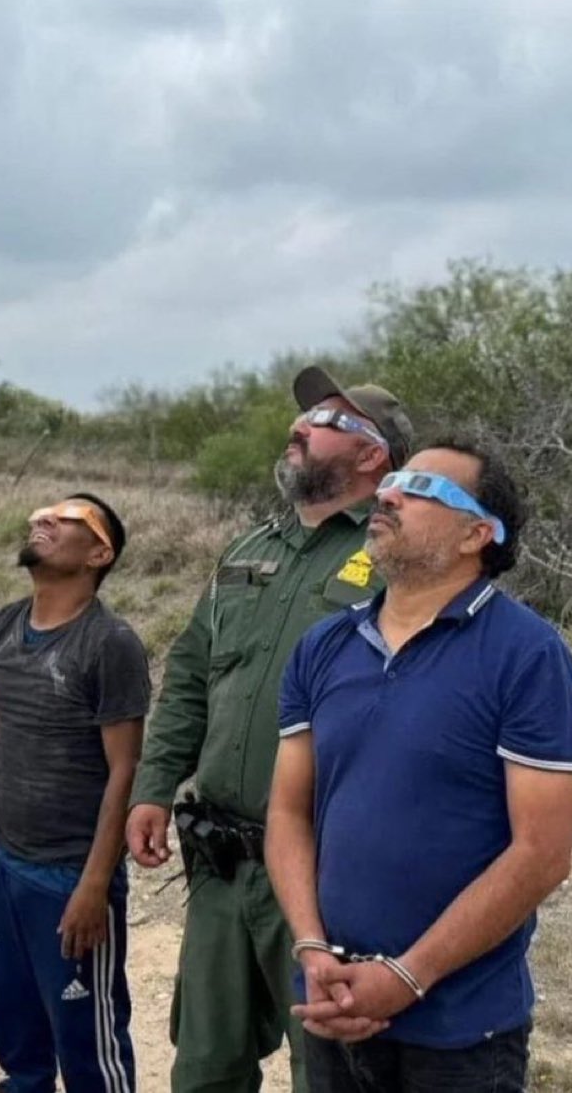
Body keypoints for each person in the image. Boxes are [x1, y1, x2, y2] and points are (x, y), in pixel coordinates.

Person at [266, 439, 572, 1092]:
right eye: (394, 482)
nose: (388, 494)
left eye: (423, 490)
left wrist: (409, 975)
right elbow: (288, 810)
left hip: (460, 1029)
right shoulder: (324, 645)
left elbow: (543, 853)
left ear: (478, 533)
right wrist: (309, 946)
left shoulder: (528, 655)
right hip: (335, 1000)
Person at [126, 367, 414, 1093]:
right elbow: (193, 672)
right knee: (204, 1066)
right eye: (306, 413)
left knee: (328, 1069)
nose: (303, 424)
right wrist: (156, 786)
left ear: (373, 454)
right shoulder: (253, 545)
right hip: (221, 862)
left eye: (328, 419)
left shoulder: (398, 556)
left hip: (325, 870)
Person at [0, 493, 151, 1093]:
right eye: (40, 513)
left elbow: (124, 771)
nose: (41, 519)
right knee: (16, 1037)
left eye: (66, 519)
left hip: (71, 876)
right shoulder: (3, 625)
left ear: (98, 553)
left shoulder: (110, 643)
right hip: (7, 868)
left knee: (91, 1051)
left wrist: (92, 886)